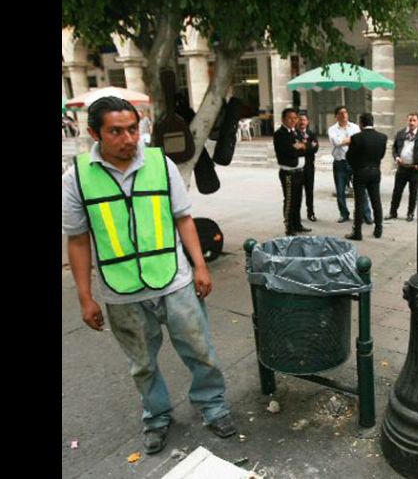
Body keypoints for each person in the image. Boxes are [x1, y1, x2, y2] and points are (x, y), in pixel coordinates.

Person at [62, 96, 237, 456]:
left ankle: (213, 406)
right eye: (116, 132)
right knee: (141, 363)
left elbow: (183, 218)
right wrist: (85, 296)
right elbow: (78, 240)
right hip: (120, 288)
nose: (128, 138)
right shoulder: (76, 176)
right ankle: (156, 417)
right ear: (95, 133)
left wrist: (200, 267)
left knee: (200, 349)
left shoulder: (160, 163)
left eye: (132, 129)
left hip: (174, 279)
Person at [344, 113, 387, 240]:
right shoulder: (382, 137)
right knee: (376, 200)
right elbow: (382, 155)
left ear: (361, 123)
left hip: (360, 172)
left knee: (359, 202)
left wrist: (356, 166)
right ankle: (378, 229)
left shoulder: (356, 138)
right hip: (375, 171)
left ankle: (357, 232)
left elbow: (349, 156)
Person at [328, 106, 373, 224]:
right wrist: (351, 140)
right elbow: (336, 143)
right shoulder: (332, 129)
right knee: (340, 191)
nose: (344, 115)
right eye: (340, 113)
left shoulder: (355, 127)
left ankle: (366, 214)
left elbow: (359, 141)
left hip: (354, 163)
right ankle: (344, 214)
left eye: (345, 112)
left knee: (361, 190)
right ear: (336, 116)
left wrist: (347, 141)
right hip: (340, 163)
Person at [273, 107, 311, 236]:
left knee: (298, 199)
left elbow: (308, 147)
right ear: (283, 119)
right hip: (288, 172)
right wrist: (300, 147)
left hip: (299, 171)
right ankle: (289, 226)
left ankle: (297, 224)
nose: (293, 120)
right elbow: (289, 151)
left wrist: (301, 146)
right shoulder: (280, 134)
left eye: (295, 118)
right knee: (289, 200)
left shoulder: (296, 132)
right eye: (290, 118)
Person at [385, 112, 418, 222]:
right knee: (397, 191)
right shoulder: (401, 133)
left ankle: (410, 213)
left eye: (414, 120)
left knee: (413, 193)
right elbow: (394, 148)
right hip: (402, 167)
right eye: (410, 120)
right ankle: (393, 212)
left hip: (414, 168)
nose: (412, 123)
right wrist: (396, 158)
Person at [297, 111, 319, 222]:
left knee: (309, 191)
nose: (302, 122)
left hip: (309, 167)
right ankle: (296, 215)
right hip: (297, 168)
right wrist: (308, 146)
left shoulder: (312, 134)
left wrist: (303, 147)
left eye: (304, 120)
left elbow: (315, 148)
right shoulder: (294, 134)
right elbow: (294, 149)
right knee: (297, 193)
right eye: (300, 120)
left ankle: (310, 213)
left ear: (307, 122)